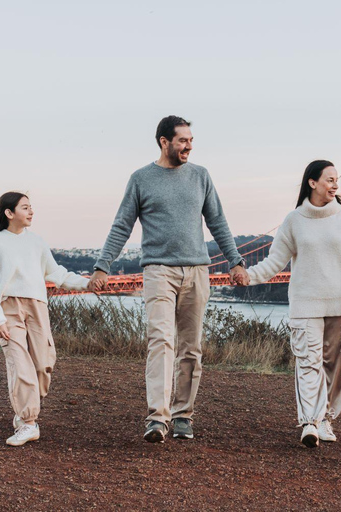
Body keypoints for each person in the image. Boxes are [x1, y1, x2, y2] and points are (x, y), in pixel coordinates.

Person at [89, 115, 248, 443]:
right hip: (158, 271)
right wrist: (103, 266)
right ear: (164, 142)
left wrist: (236, 262)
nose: (189, 146)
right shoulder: (141, 179)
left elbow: (218, 222)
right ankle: (157, 418)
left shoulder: (201, 176)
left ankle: (182, 416)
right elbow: (122, 225)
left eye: (191, 140)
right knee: (160, 341)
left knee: (191, 348)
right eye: (183, 140)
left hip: (197, 272)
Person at [238, 160, 341, 448]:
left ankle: (326, 418)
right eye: (329, 179)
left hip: (340, 305)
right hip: (305, 304)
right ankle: (310, 423)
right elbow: (275, 262)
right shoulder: (294, 220)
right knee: (308, 364)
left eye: (337, 179)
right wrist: (248, 277)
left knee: (337, 367)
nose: (335, 184)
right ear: (312, 183)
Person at [0, 192, 90, 446]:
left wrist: (88, 283)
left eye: (31, 207)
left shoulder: (37, 242)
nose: (31, 212)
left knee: (43, 364)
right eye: (25, 207)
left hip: (37, 307)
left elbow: (57, 274)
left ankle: (25, 410)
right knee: (21, 366)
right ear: (9, 213)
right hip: (8, 309)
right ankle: (29, 422)